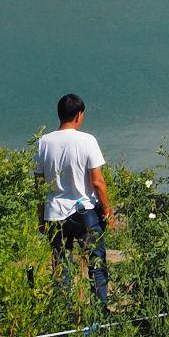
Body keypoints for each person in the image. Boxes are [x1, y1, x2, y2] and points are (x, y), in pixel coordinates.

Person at [35, 93, 115, 310]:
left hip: (54, 213)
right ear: (79, 115)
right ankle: (99, 312)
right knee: (96, 263)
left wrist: (40, 217)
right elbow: (98, 182)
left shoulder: (44, 142)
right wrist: (108, 210)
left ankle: (66, 312)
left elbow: (39, 185)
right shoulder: (87, 141)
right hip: (84, 212)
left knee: (61, 263)